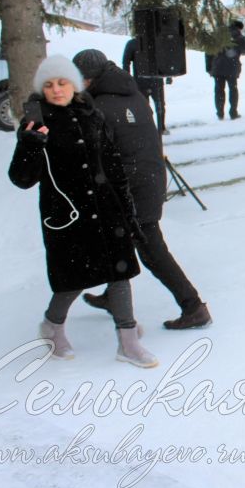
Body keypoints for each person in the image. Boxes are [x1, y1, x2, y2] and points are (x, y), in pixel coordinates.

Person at [8, 55, 158, 368]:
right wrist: (30, 144)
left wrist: (126, 208)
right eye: (49, 85)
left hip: (105, 209)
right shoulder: (37, 120)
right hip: (68, 215)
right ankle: (52, 326)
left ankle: (128, 341)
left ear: (74, 84)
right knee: (73, 280)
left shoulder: (91, 113)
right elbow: (22, 179)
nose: (56, 89)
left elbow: (112, 164)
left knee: (120, 273)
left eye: (62, 82)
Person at [71, 49, 212, 330]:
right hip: (147, 178)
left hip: (132, 187)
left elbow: (96, 152)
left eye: (80, 79)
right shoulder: (132, 94)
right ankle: (114, 298)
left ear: (90, 78)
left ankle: (193, 307)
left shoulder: (99, 105)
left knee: (152, 253)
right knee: (117, 245)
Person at [206, 20, 245, 120]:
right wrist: (243, 41)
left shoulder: (217, 36)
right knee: (233, 90)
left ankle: (220, 113)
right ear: (239, 28)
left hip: (217, 68)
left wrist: (209, 68)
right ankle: (233, 112)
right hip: (232, 68)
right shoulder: (239, 37)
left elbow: (208, 52)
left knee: (219, 91)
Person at [121, 37, 168, 134]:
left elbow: (165, 59)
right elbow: (126, 62)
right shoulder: (133, 43)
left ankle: (161, 127)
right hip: (141, 81)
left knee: (159, 106)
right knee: (144, 107)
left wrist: (168, 75)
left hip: (155, 80)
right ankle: (148, 128)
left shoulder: (157, 41)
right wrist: (128, 79)